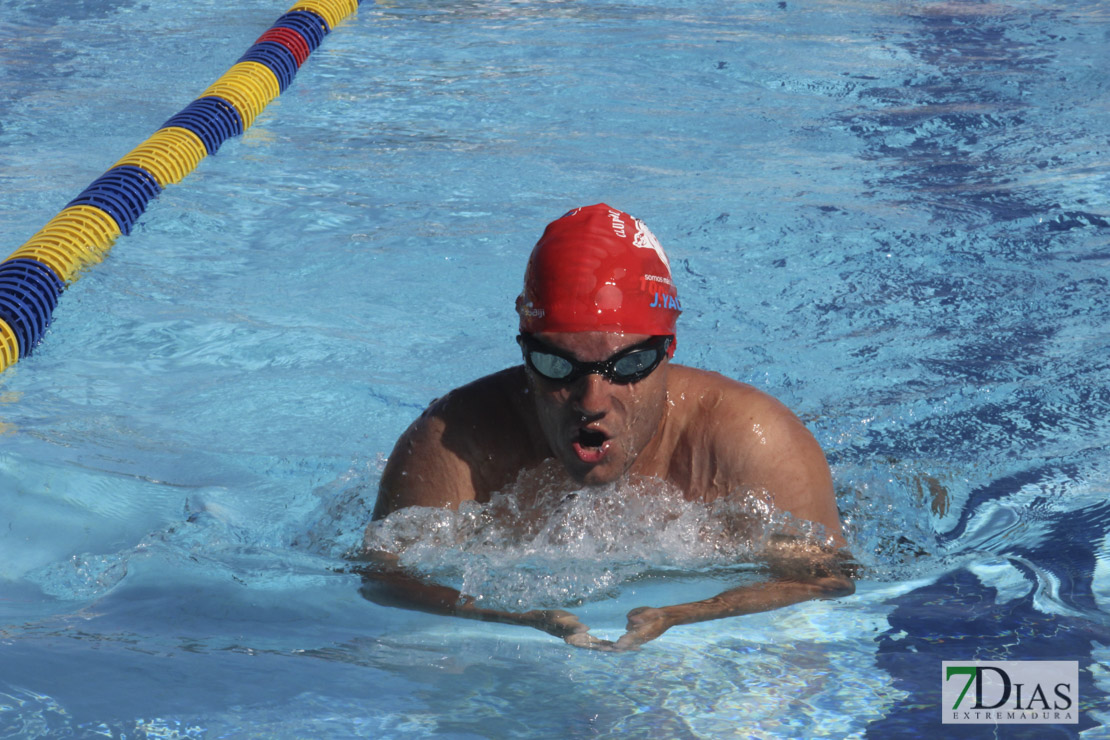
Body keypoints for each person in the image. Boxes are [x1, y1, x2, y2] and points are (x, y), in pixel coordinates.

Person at [360, 203, 854, 651]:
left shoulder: (755, 443)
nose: (591, 402)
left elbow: (825, 581)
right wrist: (507, 618)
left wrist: (687, 615)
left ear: (669, 349)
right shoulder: (455, 444)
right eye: (558, 366)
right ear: (524, 352)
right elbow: (382, 580)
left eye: (630, 364)